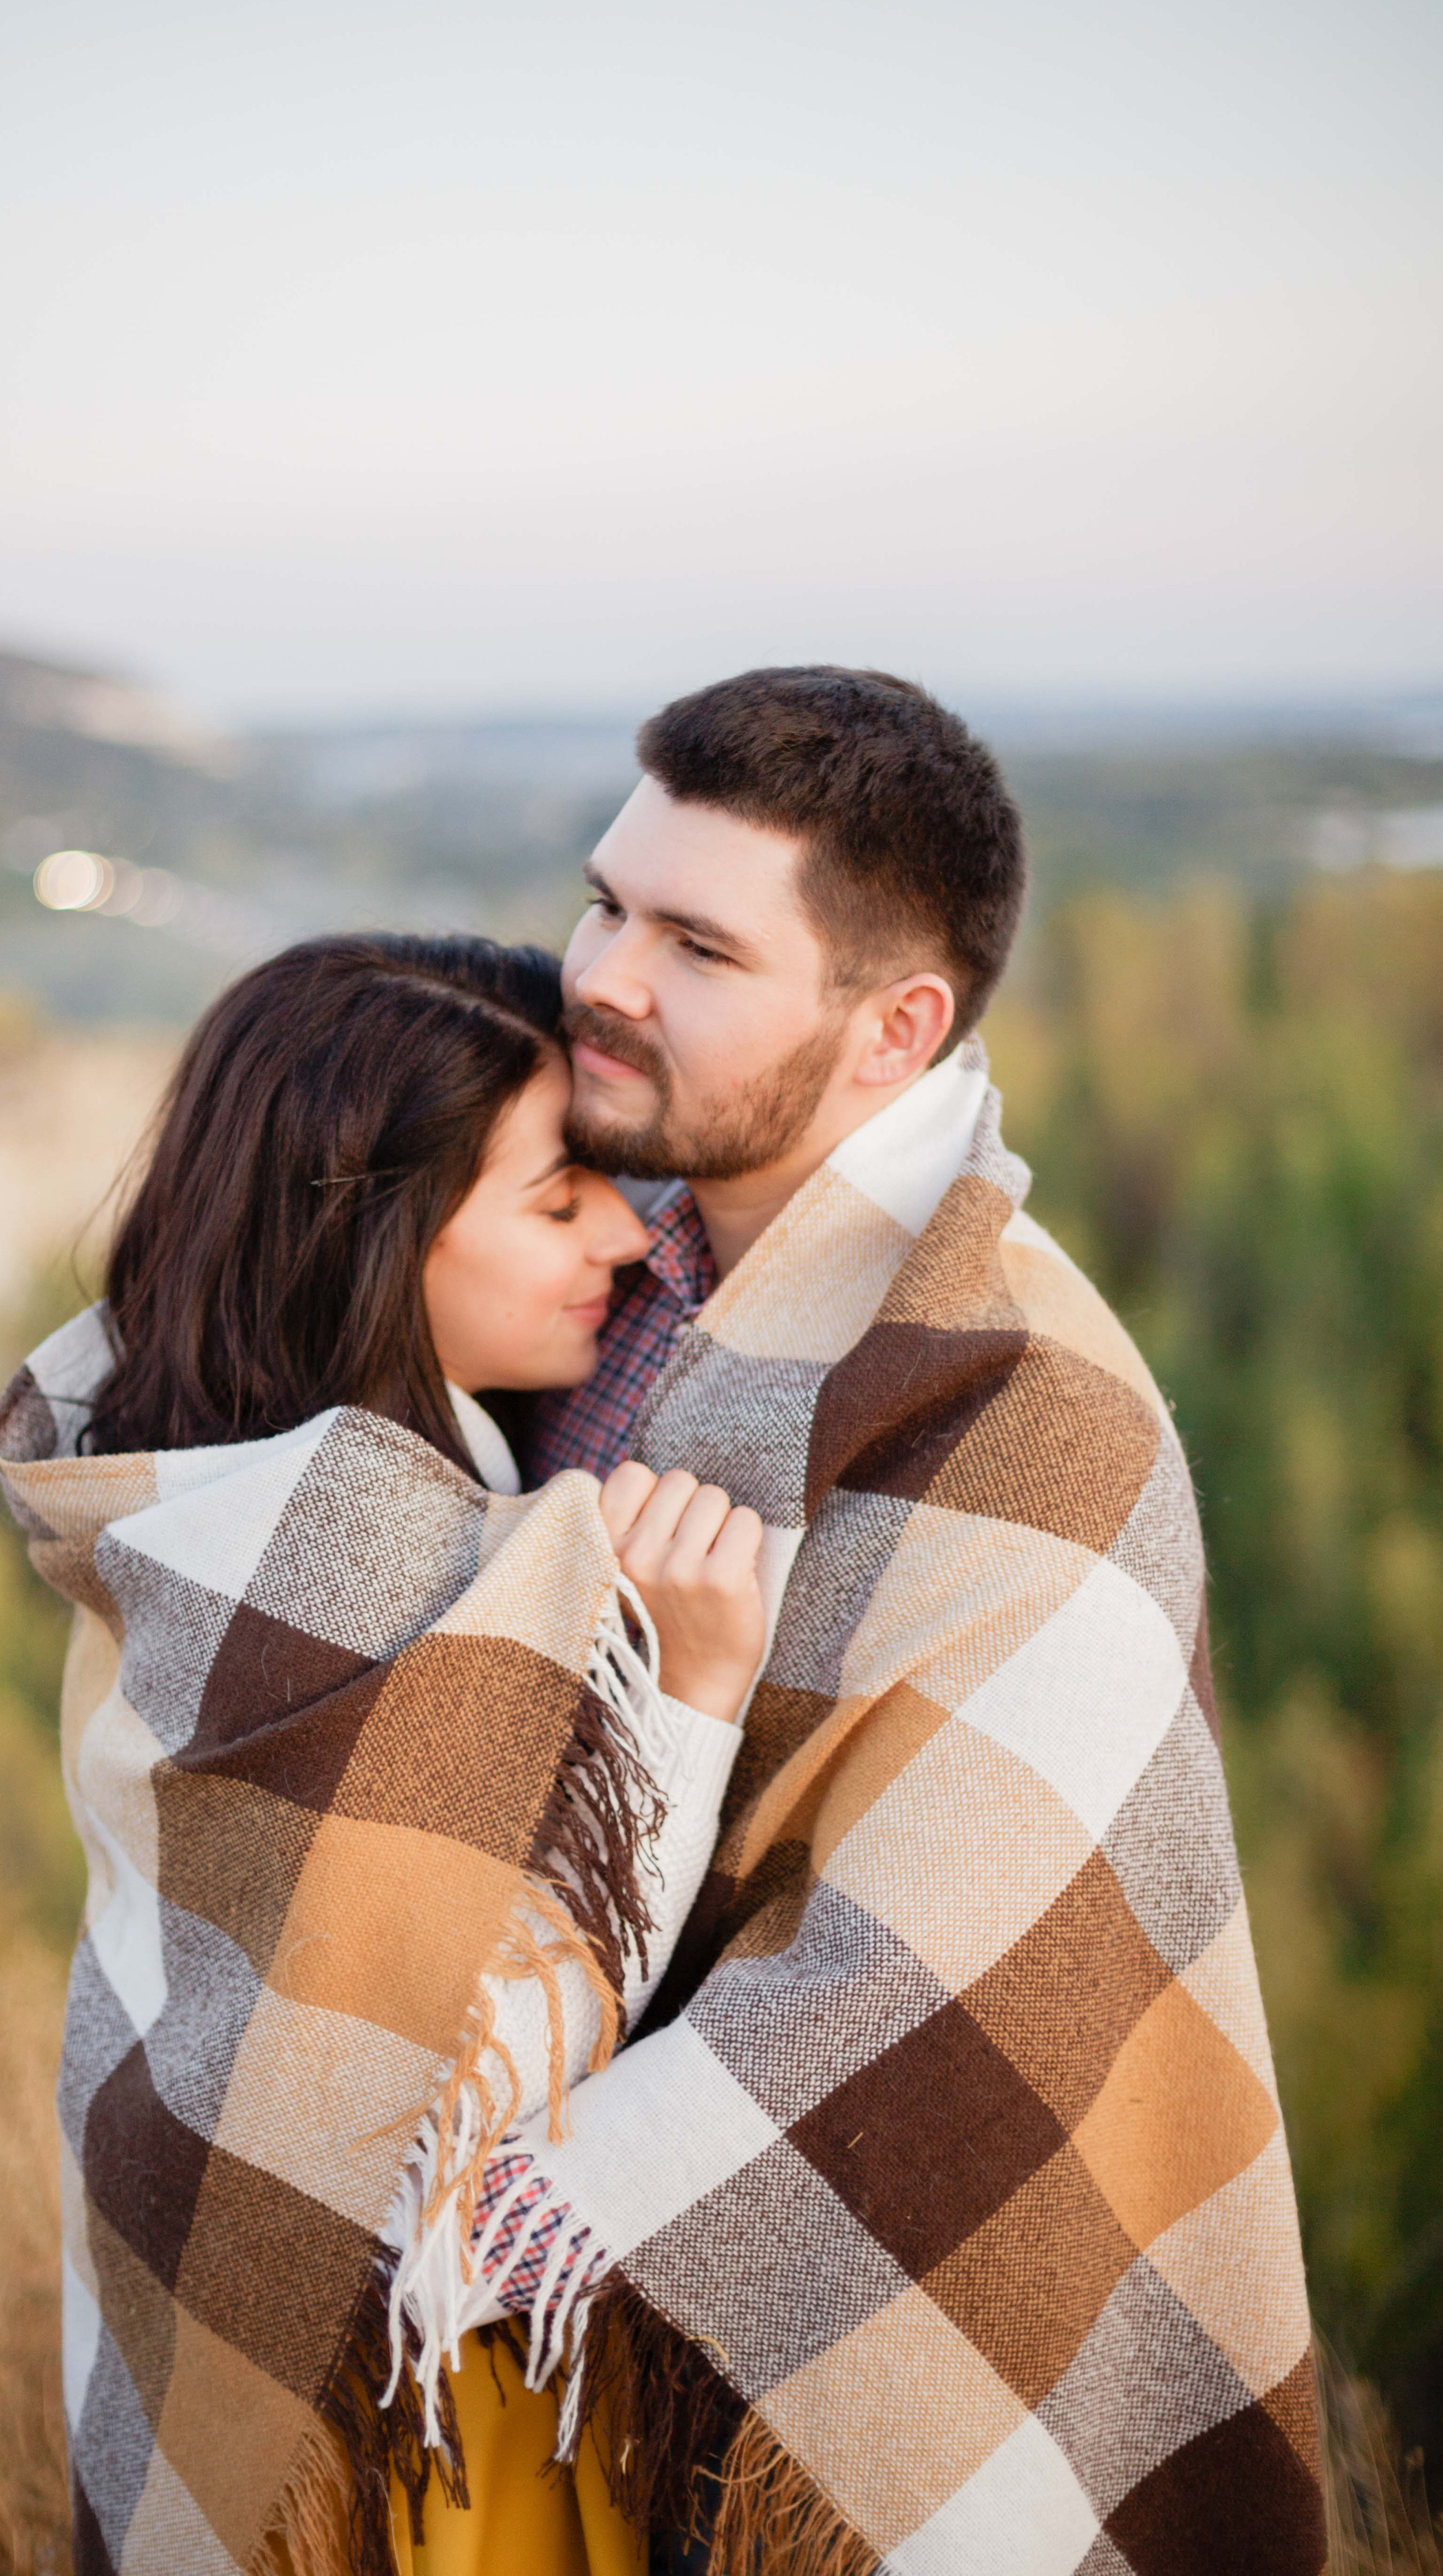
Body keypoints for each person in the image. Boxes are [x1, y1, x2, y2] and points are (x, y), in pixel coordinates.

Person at [440, 667, 1325, 2573]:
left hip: (673, 2274)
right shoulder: (604, 1252)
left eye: (697, 943)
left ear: (891, 1027)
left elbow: (936, 1960)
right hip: (514, 2280)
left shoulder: (1034, 1414)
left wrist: (488, 2217)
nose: (602, 970)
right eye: (608, 900)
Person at [0, 934, 770, 2576]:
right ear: (377, 1234)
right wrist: (692, 1692)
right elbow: (459, 2116)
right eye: (558, 1201)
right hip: (417, 2432)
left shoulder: (186, 1484)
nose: (630, 1239)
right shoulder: (347, 1552)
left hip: (282, 2369)